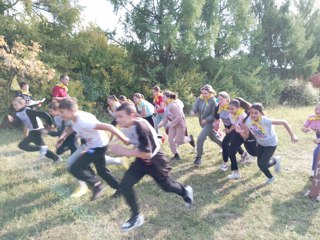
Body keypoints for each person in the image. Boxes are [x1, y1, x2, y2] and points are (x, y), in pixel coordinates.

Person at [109, 103, 194, 232]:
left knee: (167, 186)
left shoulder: (141, 126)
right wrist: (120, 142)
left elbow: (147, 153)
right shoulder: (126, 125)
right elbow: (132, 140)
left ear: (132, 115)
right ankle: (136, 216)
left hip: (155, 161)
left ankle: (185, 191)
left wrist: (123, 151)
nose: (118, 120)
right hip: (141, 161)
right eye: (117, 117)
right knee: (125, 185)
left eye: (120, 116)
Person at [56, 97, 130, 201]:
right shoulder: (73, 118)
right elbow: (72, 127)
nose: (61, 114)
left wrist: (124, 138)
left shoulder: (84, 121)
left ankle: (96, 186)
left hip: (99, 147)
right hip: (92, 146)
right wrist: (63, 137)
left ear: (71, 110)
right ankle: (121, 188)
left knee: (75, 167)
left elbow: (110, 127)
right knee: (102, 171)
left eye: (62, 112)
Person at [236, 103, 298, 184]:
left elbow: (284, 122)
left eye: (256, 113)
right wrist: (240, 131)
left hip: (271, 144)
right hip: (260, 144)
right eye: (251, 112)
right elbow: (247, 135)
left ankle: (271, 178)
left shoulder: (265, 121)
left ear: (261, 113)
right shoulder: (248, 121)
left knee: (262, 164)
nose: (253, 115)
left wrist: (293, 136)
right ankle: (276, 160)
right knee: (261, 164)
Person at [7, 97, 61, 162]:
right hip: (32, 131)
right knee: (40, 148)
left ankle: (46, 149)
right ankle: (57, 158)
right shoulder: (17, 113)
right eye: (13, 105)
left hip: (37, 130)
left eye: (16, 105)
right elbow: (18, 125)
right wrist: (12, 121)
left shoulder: (28, 110)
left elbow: (44, 114)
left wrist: (49, 124)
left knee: (22, 145)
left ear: (22, 104)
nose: (14, 106)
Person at [190, 84, 222, 166]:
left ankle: (198, 158)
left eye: (205, 93)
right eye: (202, 93)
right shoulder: (199, 99)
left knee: (200, 138)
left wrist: (206, 119)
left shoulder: (214, 101)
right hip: (202, 122)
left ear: (210, 93)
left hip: (210, 123)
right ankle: (226, 147)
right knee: (214, 138)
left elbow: (213, 114)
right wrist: (193, 111)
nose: (203, 95)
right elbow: (195, 107)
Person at [158, 91, 195, 160]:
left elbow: (179, 116)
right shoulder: (166, 105)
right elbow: (166, 117)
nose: (162, 99)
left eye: (164, 97)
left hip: (180, 124)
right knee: (170, 140)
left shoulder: (173, 105)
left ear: (169, 98)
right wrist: (159, 125)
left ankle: (190, 139)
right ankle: (176, 155)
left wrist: (171, 124)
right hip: (173, 125)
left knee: (179, 141)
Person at [222, 99, 249, 179]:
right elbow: (234, 124)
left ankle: (268, 160)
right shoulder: (231, 114)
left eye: (232, 109)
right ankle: (236, 172)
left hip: (247, 134)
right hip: (238, 133)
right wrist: (229, 130)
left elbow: (247, 129)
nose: (230, 111)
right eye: (229, 108)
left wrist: (244, 135)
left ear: (238, 108)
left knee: (255, 152)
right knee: (231, 151)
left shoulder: (242, 115)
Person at [301, 102, 320, 177]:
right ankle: (314, 171)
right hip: (318, 138)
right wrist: (304, 129)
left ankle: (314, 170)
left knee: (316, 152)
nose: (317, 111)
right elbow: (304, 127)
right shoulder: (311, 117)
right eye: (316, 109)